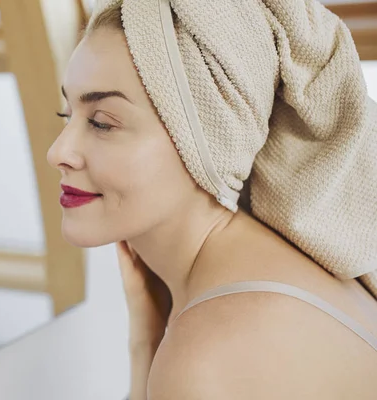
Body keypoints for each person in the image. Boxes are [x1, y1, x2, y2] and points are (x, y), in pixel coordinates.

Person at [47, 0, 377, 398]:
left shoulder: (208, 359)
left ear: (206, 141)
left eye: (102, 122)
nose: (58, 152)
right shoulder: (276, 269)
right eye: (67, 115)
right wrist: (146, 343)